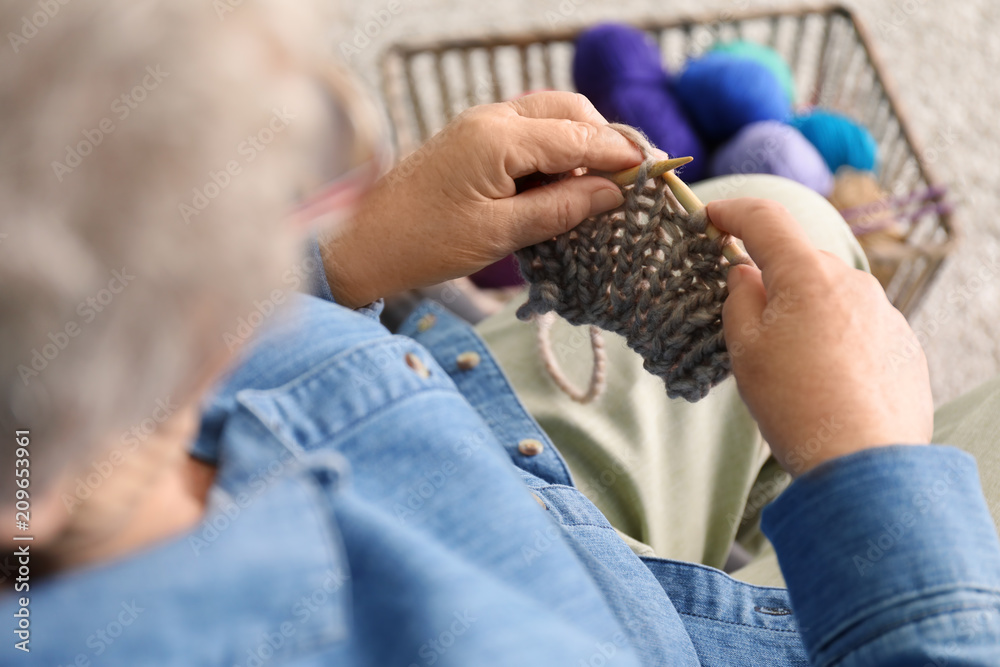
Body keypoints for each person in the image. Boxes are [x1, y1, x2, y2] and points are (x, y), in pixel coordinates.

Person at [2, 1, 999, 665]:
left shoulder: (63, 447)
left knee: (794, 222)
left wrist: (348, 259)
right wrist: (866, 468)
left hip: (502, 482)